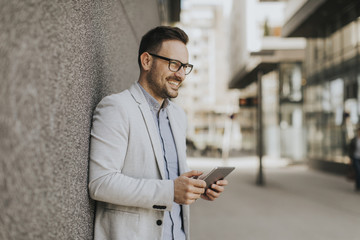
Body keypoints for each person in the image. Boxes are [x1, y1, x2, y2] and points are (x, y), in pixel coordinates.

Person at [88, 26, 228, 240]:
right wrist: (171, 191)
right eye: (174, 64)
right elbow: (101, 183)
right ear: (146, 61)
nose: (180, 74)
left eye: (185, 67)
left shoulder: (178, 116)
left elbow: (169, 178)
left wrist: (198, 187)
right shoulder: (116, 108)